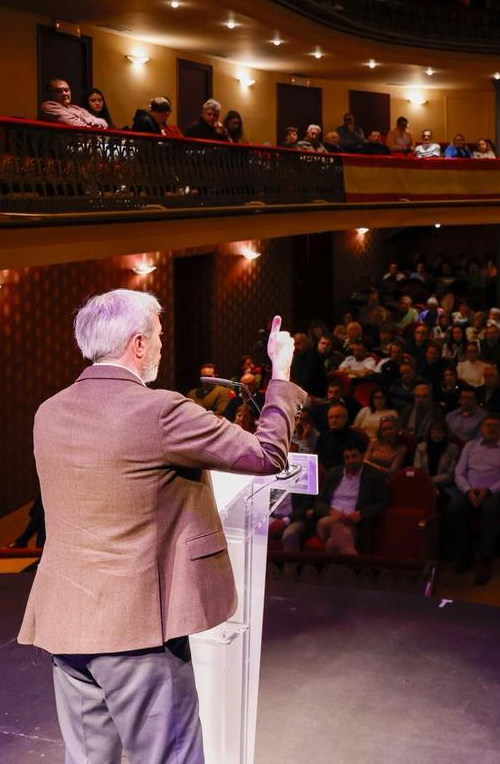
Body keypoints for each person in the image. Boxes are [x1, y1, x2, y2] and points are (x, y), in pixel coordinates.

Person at [19, 292, 303, 764]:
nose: (160, 346)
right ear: (136, 344)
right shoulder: (160, 412)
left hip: (65, 623)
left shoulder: (48, 412)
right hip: (137, 631)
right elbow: (266, 455)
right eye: (158, 336)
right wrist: (281, 374)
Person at [447, 415, 500, 584]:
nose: (492, 428)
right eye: (488, 425)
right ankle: (464, 553)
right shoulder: (470, 446)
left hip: (494, 492)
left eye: (496, 425)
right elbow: (459, 472)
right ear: (481, 428)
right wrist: (468, 490)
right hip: (469, 490)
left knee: (491, 510)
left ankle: (486, 558)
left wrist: (488, 491)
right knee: (454, 508)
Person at [309, 440, 390, 554]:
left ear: (362, 455)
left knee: (333, 544)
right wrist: (332, 512)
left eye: (354, 456)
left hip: (353, 524)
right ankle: (352, 557)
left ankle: (338, 568)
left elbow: (383, 502)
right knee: (334, 523)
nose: (350, 461)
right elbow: (318, 502)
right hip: (326, 522)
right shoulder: (333, 473)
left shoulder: (374, 476)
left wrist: (361, 514)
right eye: (347, 458)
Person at [37, 78, 108, 128]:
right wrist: (86, 120)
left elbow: (104, 123)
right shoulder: (48, 106)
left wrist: (82, 120)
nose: (64, 93)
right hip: (64, 146)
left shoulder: (76, 108)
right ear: (50, 94)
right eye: (59, 91)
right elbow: (76, 125)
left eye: (66, 90)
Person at [415, 420, 460, 493]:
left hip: (444, 486)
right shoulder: (421, 446)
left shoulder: (453, 448)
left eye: (440, 431)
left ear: (445, 433)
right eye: (434, 430)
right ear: (429, 432)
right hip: (423, 483)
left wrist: (430, 481)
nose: (436, 434)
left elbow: (450, 475)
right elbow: (417, 469)